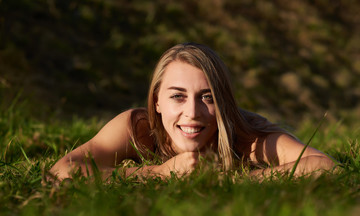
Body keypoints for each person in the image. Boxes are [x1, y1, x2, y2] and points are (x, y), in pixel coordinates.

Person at [49, 42, 335, 181]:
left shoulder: (246, 136)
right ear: (157, 101)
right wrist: (157, 173)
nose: (193, 112)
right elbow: (61, 171)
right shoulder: (137, 128)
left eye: (207, 97)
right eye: (178, 96)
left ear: (224, 103)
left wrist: (233, 180)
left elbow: (325, 165)